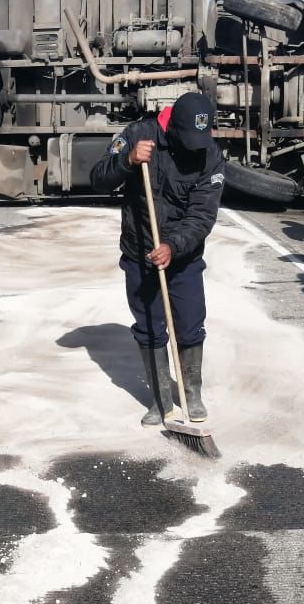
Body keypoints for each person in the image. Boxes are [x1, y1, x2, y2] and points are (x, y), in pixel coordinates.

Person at [91, 92, 225, 426]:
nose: (195, 146)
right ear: (172, 128)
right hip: (139, 252)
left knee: (190, 324)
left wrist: (173, 246)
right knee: (150, 328)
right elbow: (97, 178)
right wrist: (128, 162)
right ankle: (161, 399)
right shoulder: (139, 135)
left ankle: (191, 392)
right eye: (187, 139)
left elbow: (202, 216)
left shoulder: (210, 155)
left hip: (183, 257)